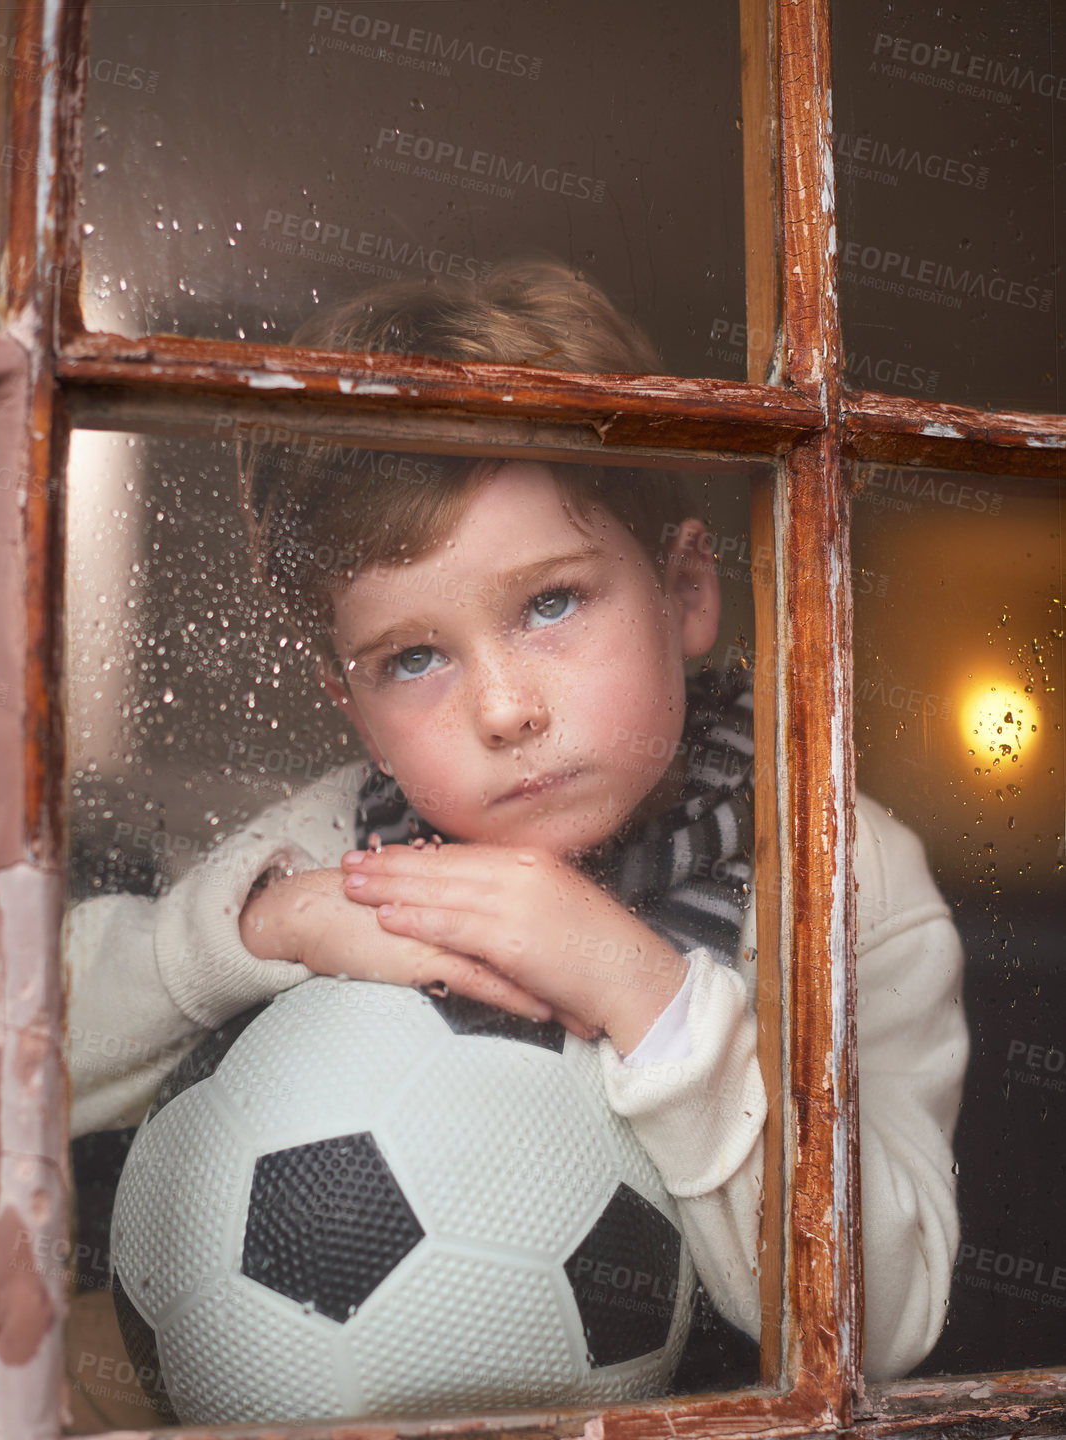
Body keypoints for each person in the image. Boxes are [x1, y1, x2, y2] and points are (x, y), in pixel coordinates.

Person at [66, 262, 968, 1382]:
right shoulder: (348, 849)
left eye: (552, 603)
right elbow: (29, 1044)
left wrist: (641, 991)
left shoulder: (849, 875)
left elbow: (889, 1319)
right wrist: (261, 932)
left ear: (687, 591)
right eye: (413, 659)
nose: (503, 710)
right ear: (352, 708)